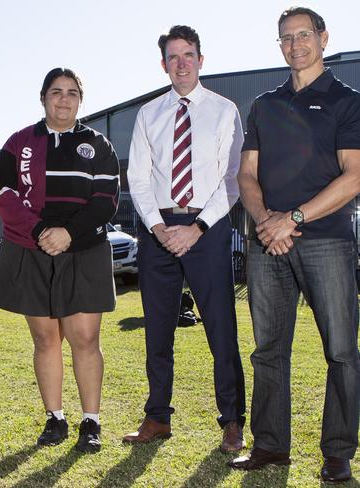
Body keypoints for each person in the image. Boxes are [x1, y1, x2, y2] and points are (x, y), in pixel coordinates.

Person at [229, 7, 360, 483]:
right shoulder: (264, 105)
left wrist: (295, 218)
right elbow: (247, 173)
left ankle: (338, 452)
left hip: (326, 242)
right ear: (279, 46)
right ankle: (269, 446)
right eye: (286, 37)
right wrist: (266, 221)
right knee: (268, 350)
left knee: (342, 350)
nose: (295, 44)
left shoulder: (348, 101)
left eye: (304, 35)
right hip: (268, 244)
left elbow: (355, 175)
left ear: (323, 39)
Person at [124, 25, 246, 452]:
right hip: (157, 230)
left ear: (201, 59)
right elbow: (137, 177)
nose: (181, 63)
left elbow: (233, 180)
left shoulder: (224, 109)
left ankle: (232, 420)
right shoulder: (149, 114)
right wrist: (158, 228)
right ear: (163, 64)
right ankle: (157, 417)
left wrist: (196, 229)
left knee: (220, 328)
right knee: (158, 331)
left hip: (206, 229)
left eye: (188, 54)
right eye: (173, 56)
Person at [0, 68, 120, 453]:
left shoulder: (99, 145)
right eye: (56, 92)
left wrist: (69, 234)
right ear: (43, 97)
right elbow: (4, 195)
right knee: (46, 339)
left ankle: (90, 422)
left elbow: (105, 200)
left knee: (85, 338)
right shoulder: (20, 142)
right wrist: (43, 231)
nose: (64, 99)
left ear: (81, 99)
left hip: (84, 249)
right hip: (33, 247)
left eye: (72, 93)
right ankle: (55, 419)